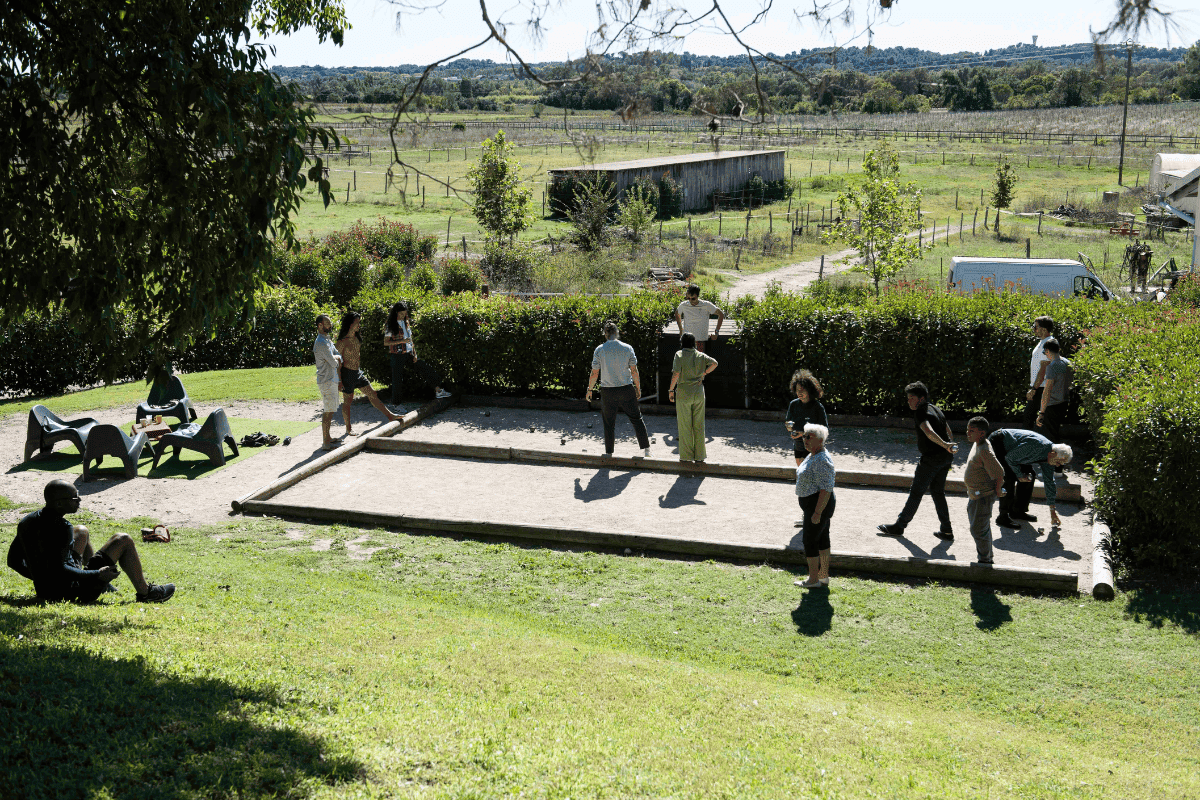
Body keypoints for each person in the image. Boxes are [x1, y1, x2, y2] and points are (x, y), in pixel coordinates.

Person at [7, 480, 174, 603]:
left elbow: (13, 561)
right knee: (123, 539)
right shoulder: (62, 527)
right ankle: (147, 593)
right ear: (59, 504)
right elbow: (61, 568)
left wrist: (41, 579)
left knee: (81, 531)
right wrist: (97, 574)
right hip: (71, 593)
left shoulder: (27, 522)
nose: (79, 500)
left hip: (47, 589)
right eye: (74, 498)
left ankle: (103, 585)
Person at [877, 381, 956, 541]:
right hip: (945, 458)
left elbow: (928, 431)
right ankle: (946, 530)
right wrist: (948, 445)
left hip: (932, 459)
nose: (909, 401)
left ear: (921, 398)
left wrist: (945, 444)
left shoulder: (921, 411)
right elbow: (947, 429)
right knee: (938, 492)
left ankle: (899, 526)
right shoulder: (935, 408)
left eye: (911, 398)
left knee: (916, 493)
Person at [585, 321, 650, 458]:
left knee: (609, 423)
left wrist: (590, 389)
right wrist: (638, 387)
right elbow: (634, 371)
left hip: (608, 391)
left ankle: (609, 452)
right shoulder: (627, 348)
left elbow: (594, 373)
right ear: (617, 333)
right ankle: (646, 450)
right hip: (626, 388)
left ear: (605, 334)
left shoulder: (599, 349)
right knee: (637, 419)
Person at [988, 428, 1072, 529]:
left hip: (1015, 451)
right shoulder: (1036, 447)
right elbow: (1010, 458)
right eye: (1058, 462)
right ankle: (1003, 516)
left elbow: (1049, 483)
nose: (1058, 466)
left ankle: (1017, 511)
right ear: (1053, 453)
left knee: (1029, 475)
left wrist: (1053, 512)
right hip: (999, 442)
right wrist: (1019, 475)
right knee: (1009, 477)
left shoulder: (1050, 457)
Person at [336, 311, 403, 437]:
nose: (359, 325)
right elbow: (337, 363)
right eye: (357, 323)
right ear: (350, 324)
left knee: (373, 394)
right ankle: (348, 429)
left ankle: (390, 416)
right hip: (347, 374)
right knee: (348, 401)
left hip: (357, 373)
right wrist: (339, 380)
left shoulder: (356, 338)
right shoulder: (342, 342)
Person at [383, 302, 451, 406]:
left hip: (409, 353)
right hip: (397, 355)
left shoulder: (406, 322)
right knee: (397, 380)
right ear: (396, 313)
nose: (403, 316)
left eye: (405, 314)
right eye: (401, 314)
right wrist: (401, 341)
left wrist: (414, 353)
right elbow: (386, 342)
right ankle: (396, 404)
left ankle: (438, 391)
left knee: (424, 368)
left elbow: (410, 340)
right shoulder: (390, 325)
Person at [794, 423, 835, 589]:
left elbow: (826, 489)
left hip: (818, 505)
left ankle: (813, 579)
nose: (805, 439)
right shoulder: (814, 454)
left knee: (810, 541)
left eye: (808, 437)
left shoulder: (822, 460)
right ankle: (823, 576)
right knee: (823, 539)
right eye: (804, 436)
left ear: (820, 439)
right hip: (815, 505)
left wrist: (817, 512)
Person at [668, 332, 718, 462]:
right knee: (699, 424)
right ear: (694, 343)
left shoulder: (679, 355)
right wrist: (704, 373)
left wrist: (671, 390)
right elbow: (714, 363)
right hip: (699, 392)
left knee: (685, 425)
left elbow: (676, 374)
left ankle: (686, 457)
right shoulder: (700, 355)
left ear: (682, 342)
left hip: (684, 392)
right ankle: (700, 456)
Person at [963, 417, 1005, 565]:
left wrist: (998, 489)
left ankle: (985, 561)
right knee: (981, 527)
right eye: (968, 429)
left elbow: (999, 472)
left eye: (972, 431)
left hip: (983, 496)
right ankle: (986, 557)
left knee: (978, 529)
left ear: (981, 433)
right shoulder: (977, 444)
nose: (968, 433)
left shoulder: (984, 451)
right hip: (975, 495)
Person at [785, 369, 829, 467]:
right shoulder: (793, 404)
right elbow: (788, 421)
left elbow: (824, 430)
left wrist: (803, 433)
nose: (799, 393)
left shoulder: (818, 407)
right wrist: (790, 428)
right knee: (801, 472)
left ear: (809, 390)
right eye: (797, 390)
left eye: (802, 390)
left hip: (814, 447)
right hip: (799, 445)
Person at [314, 314, 344, 450]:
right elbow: (334, 362)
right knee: (328, 411)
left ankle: (328, 438)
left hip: (331, 379)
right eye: (327, 323)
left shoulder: (327, 339)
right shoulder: (320, 342)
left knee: (331, 410)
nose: (330, 325)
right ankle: (325, 442)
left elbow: (337, 355)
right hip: (326, 380)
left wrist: (336, 357)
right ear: (320, 325)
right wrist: (336, 358)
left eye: (330, 323)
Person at [1036, 339, 1073, 449]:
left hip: (1053, 405)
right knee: (1058, 434)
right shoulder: (1068, 363)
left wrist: (1042, 412)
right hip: (1065, 402)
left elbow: (1047, 390)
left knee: (1051, 438)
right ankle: (1060, 460)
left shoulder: (1051, 366)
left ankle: (1055, 462)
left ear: (1047, 351)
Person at [1023, 316, 1055, 428]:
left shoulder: (1049, 343)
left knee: (1029, 417)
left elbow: (1044, 368)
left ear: (1044, 329)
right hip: (1039, 386)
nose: (1034, 329)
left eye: (1035, 327)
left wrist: (1034, 389)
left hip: (1042, 387)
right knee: (1030, 418)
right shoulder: (1043, 342)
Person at [674, 285, 724, 353]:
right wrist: (680, 329)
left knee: (700, 361)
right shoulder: (683, 305)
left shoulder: (706, 305)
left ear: (698, 296)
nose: (691, 301)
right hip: (688, 339)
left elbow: (721, 314)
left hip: (701, 339)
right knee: (687, 361)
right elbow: (677, 313)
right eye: (688, 298)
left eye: (693, 298)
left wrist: (716, 332)